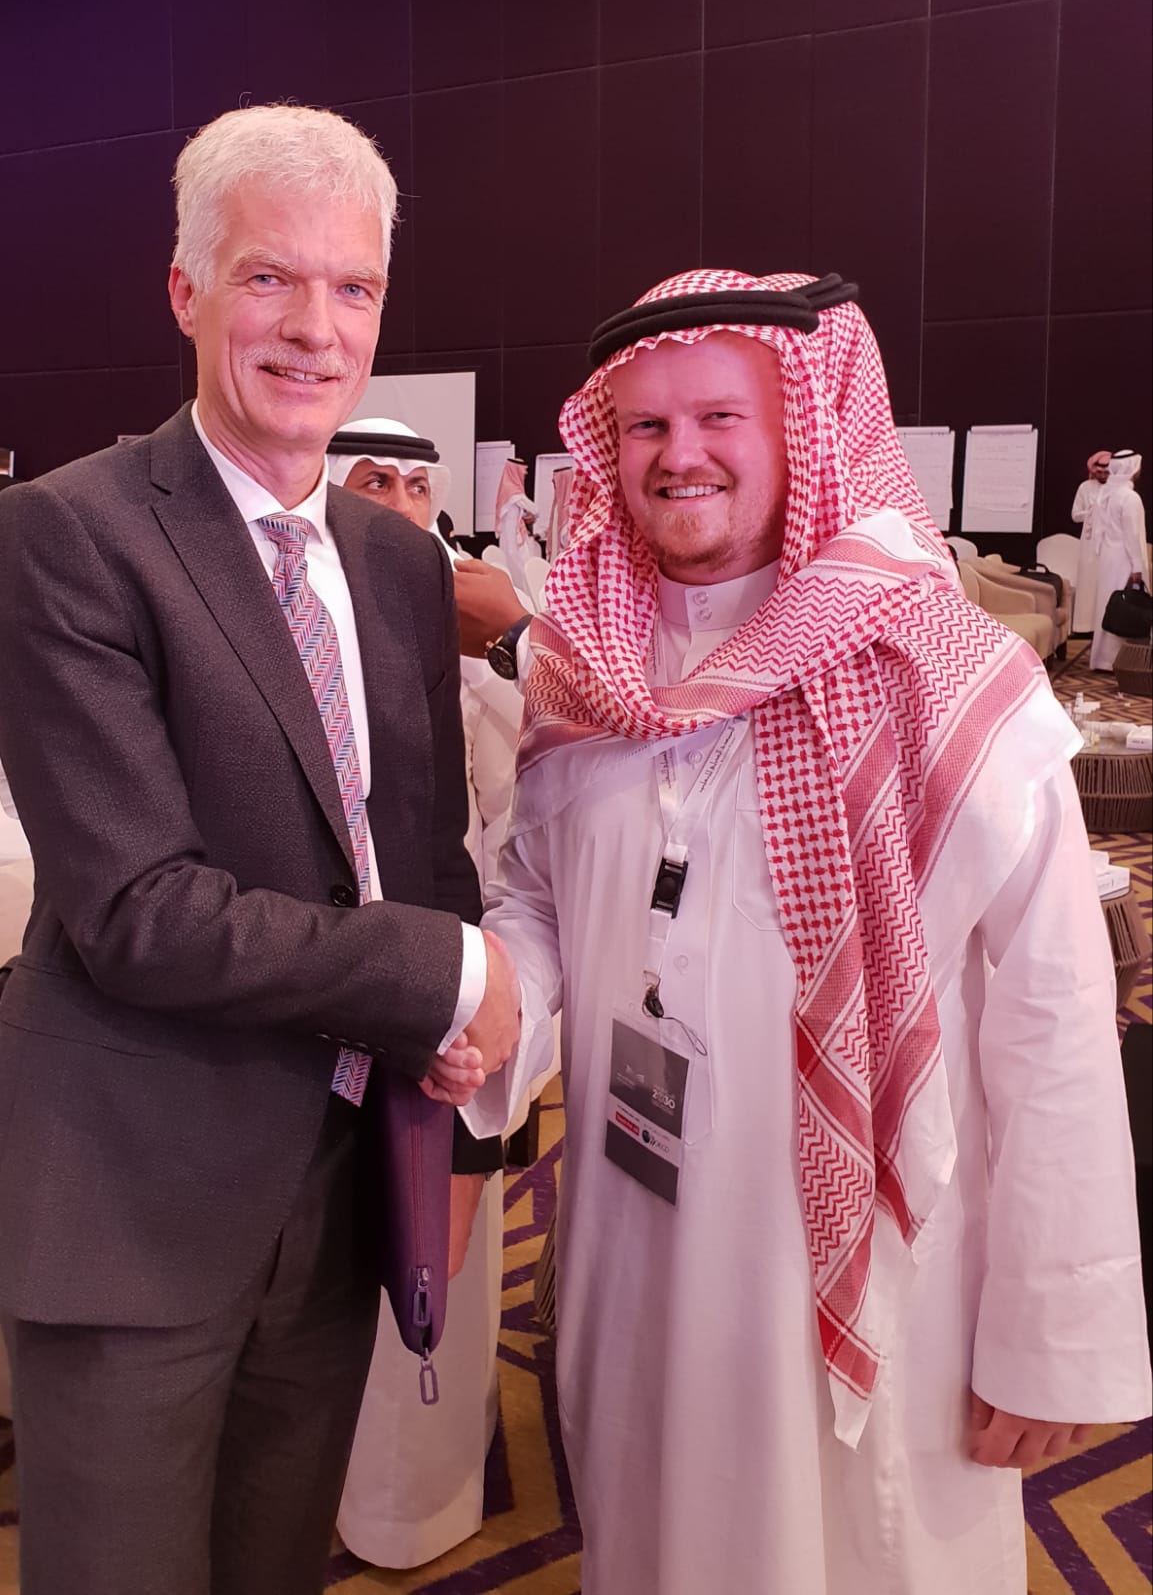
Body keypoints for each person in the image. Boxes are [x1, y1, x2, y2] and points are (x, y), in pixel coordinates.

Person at [457, 269, 1151, 1595]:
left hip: (874, 1278)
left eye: (721, 415)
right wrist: (485, 995)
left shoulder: (947, 677)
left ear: (807, 430)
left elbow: (1055, 1015)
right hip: (627, 1234)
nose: (680, 455)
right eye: (646, 427)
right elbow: (543, 896)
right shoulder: (579, 670)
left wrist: (1052, 1334)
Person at [0, 103, 518, 1595]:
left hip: (334, 1189)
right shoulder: (69, 533)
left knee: (273, 1567)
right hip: (132, 1193)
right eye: (270, 277)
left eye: (354, 288)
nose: (315, 328)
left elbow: (422, 849)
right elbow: (139, 908)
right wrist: (445, 972)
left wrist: (449, 1097)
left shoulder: (398, 564)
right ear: (188, 289)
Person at [328, 416, 529, 1567]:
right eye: (374, 482)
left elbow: (513, 840)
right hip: (308, 1005)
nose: (403, 503)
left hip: (456, 1014)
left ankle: (423, 1506)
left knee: (434, 1263)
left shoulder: (470, 652)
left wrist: (486, 1007)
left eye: (418, 483)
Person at [1086, 449, 1148, 670]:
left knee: (1108, 605)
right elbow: (1132, 535)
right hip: (1124, 559)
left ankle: (1102, 659)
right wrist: (1137, 566)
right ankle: (1121, 660)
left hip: (1107, 558)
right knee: (1126, 606)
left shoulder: (1106, 493)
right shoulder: (1130, 498)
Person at [1071, 449, 1111, 634]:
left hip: (1109, 544)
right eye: (1100, 471)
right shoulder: (1084, 488)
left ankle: (1105, 625)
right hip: (1088, 545)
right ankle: (1086, 627)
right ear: (1094, 470)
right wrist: (1092, 512)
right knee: (1088, 584)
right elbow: (1075, 515)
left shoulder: (1115, 488)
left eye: (1107, 472)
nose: (1103, 475)